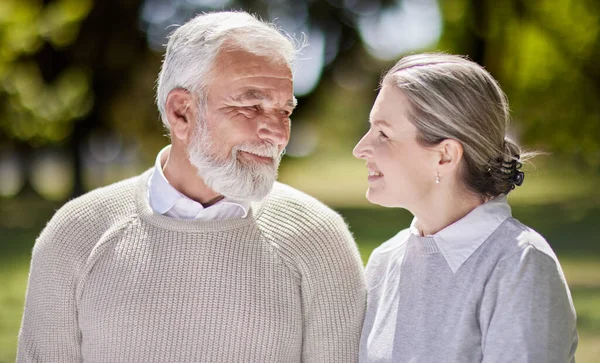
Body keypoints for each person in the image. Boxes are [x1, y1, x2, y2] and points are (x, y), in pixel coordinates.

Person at [18, 11, 366, 363]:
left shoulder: (318, 239)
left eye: (284, 112)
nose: (278, 134)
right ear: (181, 112)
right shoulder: (76, 235)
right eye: (251, 106)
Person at [353, 53, 577, 362]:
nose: (360, 148)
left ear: (444, 156)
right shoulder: (384, 262)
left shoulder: (520, 265)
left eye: (383, 133)